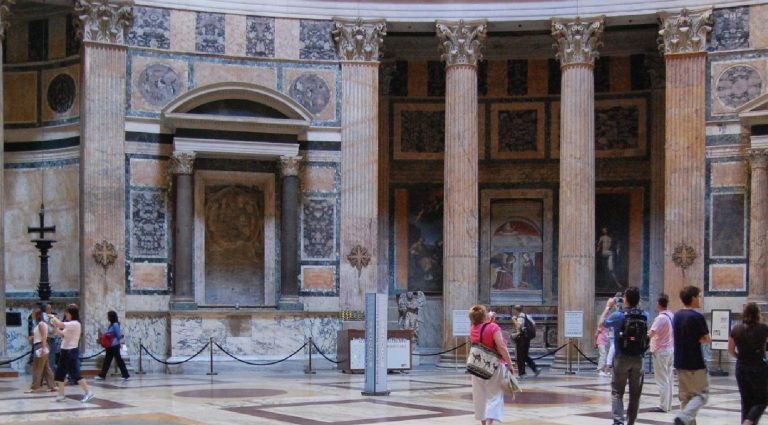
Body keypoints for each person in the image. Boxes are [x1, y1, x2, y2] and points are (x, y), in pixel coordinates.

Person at [599, 286, 646, 425]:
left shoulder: (619, 316)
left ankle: (618, 422)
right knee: (635, 395)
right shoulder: (645, 315)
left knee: (617, 392)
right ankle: (631, 422)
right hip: (639, 358)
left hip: (622, 358)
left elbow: (602, 324)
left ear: (625, 299)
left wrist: (608, 307)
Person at [469, 304, 516, 425]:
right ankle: (490, 422)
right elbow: (501, 347)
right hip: (493, 365)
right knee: (495, 395)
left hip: (476, 365)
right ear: (484, 315)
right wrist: (510, 364)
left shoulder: (473, 328)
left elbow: (482, 329)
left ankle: (483, 423)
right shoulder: (493, 327)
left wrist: (488, 319)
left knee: (479, 395)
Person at [672, 286, 711, 425]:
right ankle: (683, 416)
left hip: (679, 362)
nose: (700, 299)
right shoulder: (697, 317)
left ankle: (684, 418)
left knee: (686, 398)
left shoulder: (676, 316)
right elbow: (707, 339)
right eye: (699, 296)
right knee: (702, 395)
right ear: (693, 298)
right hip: (694, 363)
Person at [727, 302, 768, 425]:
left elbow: (730, 349)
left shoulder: (736, 329)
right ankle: (748, 421)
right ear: (758, 314)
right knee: (762, 399)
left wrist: (739, 357)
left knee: (746, 401)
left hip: (741, 367)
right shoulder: (763, 328)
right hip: (758, 367)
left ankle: (746, 421)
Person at [49, 304, 94, 403]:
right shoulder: (70, 324)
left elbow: (60, 324)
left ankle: (88, 392)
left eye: (67, 313)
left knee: (75, 373)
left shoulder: (75, 324)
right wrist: (55, 328)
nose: (66, 315)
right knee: (60, 373)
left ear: (71, 314)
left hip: (71, 351)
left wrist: (53, 316)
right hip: (64, 350)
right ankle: (61, 394)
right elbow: (62, 334)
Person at [647, 293, 674, 413]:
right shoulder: (671, 315)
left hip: (661, 351)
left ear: (658, 304)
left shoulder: (661, 318)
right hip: (669, 349)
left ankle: (663, 406)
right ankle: (668, 405)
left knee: (662, 379)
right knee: (668, 378)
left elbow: (651, 333)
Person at [25, 307, 56, 393]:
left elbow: (44, 337)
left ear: (36, 314)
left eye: (33, 314)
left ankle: (35, 387)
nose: (32, 315)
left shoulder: (41, 324)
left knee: (37, 367)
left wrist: (43, 347)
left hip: (40, 346)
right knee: (46, 368)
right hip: (40, 345)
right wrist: (33, 337)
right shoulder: (39, 324)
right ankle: (52, 386)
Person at [96, 310, 130, 381]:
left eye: (108, 316)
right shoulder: (111, 325)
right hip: (110, 346)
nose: (108, 318)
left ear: (111, 317)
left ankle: (125, 374)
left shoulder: (115, 325)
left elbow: (118, 335)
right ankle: (102, 375)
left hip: (114, 345)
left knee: (118, 360)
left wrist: (121, 344)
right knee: (107, 360)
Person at [511, 305, 540, 378]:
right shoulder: (527, 316)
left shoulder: (520, 317)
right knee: (525, 355)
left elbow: (518, 326)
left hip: (521, 339)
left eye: (513, 310)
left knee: (520, 356)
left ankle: (522, 374)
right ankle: (535, 369)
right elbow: (534, 324)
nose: (512, 311)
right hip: (527, 338)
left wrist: (514, 320)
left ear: (515, 310)